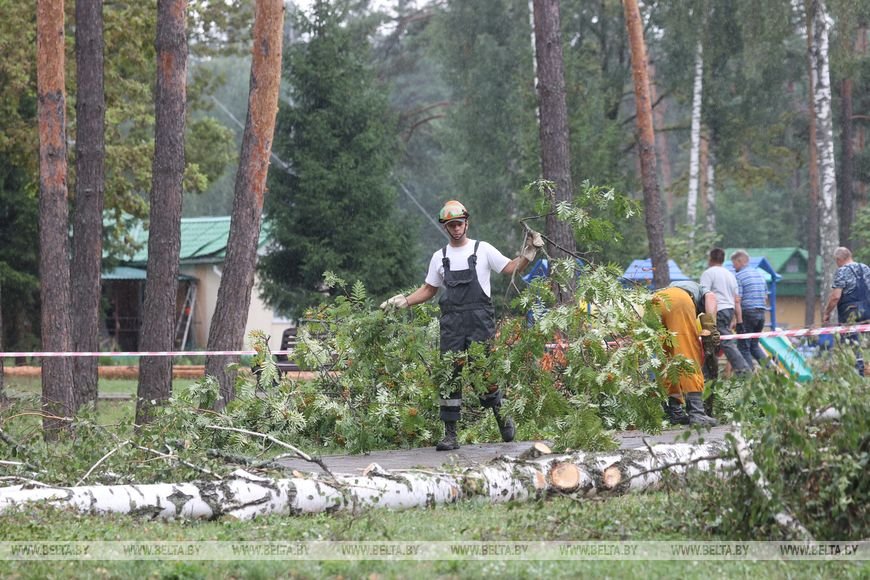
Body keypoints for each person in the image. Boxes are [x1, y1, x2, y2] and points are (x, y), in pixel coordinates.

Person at [380, 200, 543, 450]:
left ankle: (501, 414)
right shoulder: (439, 257)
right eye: (451, 225)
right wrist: (403, 301)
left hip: (479, 320)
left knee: (483, 371)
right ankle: (450, 435)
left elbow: (510, 268)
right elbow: (428, 290)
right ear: (446, 228)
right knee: (449, 375)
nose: (456, 228)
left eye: (459, 223)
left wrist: (528, 253)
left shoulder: (483, 249)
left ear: (467, 223)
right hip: (452, 323)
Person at [652, 280, 719, 427]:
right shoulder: (702, 290)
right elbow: (711, 297)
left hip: (655, 299)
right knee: (689, 355)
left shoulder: (676, 284)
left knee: (667, 358)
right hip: (678, 301)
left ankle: (674, 411)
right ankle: (697, 414)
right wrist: (710, 326)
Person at [700, 248, 752, 378]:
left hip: (715, 310)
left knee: (724, 343)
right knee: (711, 344)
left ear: (710, 259)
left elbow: (704, 294)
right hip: (729, 310)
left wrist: (704, 316)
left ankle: (743, 371)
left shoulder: (708, 273)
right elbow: (736, 299)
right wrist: (737, 319)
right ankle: (709, 375)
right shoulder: (730, 275)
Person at [822, 247, 870, 377]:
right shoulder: (866, 268)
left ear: (839, 259)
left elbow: (835, 297)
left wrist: (827, 313)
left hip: (850, 312)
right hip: (868, 309)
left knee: (851, 342)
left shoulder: (841, 271)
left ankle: (857, 371)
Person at [731, 249, 769, 370]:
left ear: (740, 261)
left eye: (734, 263)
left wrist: (737, 321)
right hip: (761, 314)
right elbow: (765, 296)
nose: (733, 266)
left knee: (743, 348)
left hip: (747, 313)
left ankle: (749, 378)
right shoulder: (760, 275)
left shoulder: (739, 276)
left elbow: (738, 300)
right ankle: (771, 372)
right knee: (754, 346)